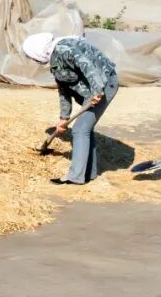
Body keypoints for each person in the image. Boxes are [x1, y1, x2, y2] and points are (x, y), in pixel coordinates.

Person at [23, 32, 119, 185]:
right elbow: (64, 89)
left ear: (38, 51)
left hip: (104, 84)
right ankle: (89, 173)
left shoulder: (63, 50)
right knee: (85, 128)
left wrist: (97, 89)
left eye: (32, 57)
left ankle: (75, 177)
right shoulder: (55, 57)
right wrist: (64, 118)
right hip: (94, 88)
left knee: (80, 130)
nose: (34, 60)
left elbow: (86, 64)